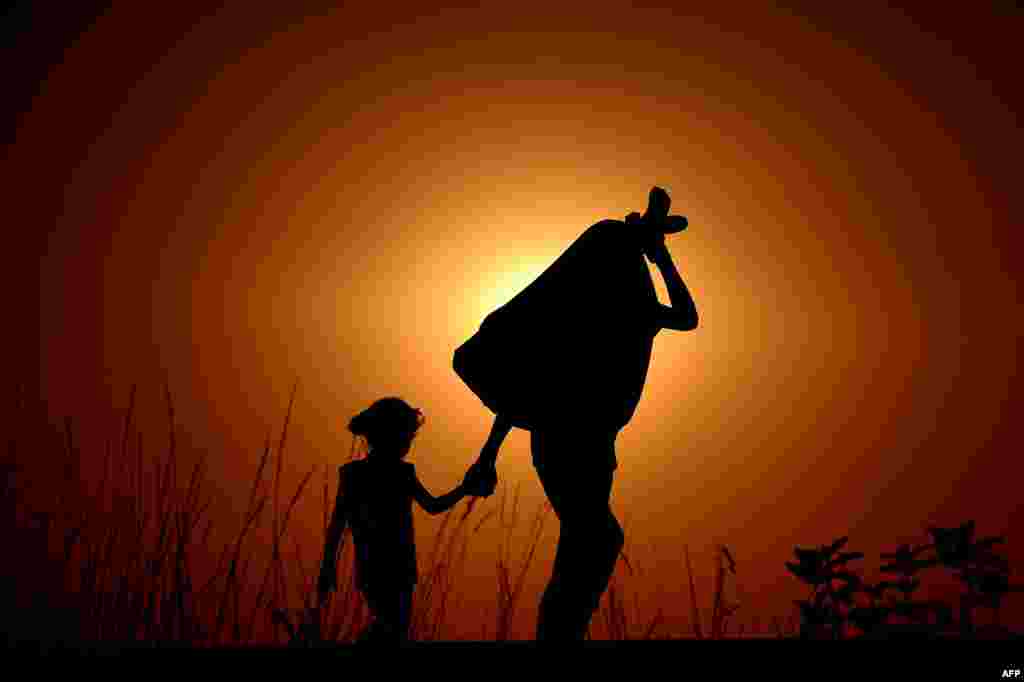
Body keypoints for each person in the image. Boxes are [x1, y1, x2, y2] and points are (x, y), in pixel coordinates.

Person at [458, 186, 699, 641]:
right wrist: (487, 455)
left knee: (587, 540)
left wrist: (659, 254)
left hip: (591, 443)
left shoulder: (630, 308)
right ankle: (561, 633)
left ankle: (563, 633)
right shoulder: (582, 316)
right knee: (596, 538)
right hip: (561, 442)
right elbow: (525, 388)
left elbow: (688, 317)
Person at [316, 397, 493, 643]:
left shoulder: (356, 474)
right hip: (395, 567)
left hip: (378, 567)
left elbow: (337, 525)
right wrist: (465, 489)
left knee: (392, 629)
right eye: (407, 436)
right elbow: (433, 506)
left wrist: (327, 566)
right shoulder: (396, 474)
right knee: (393, 630)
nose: (409, 442)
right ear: (394, 436)